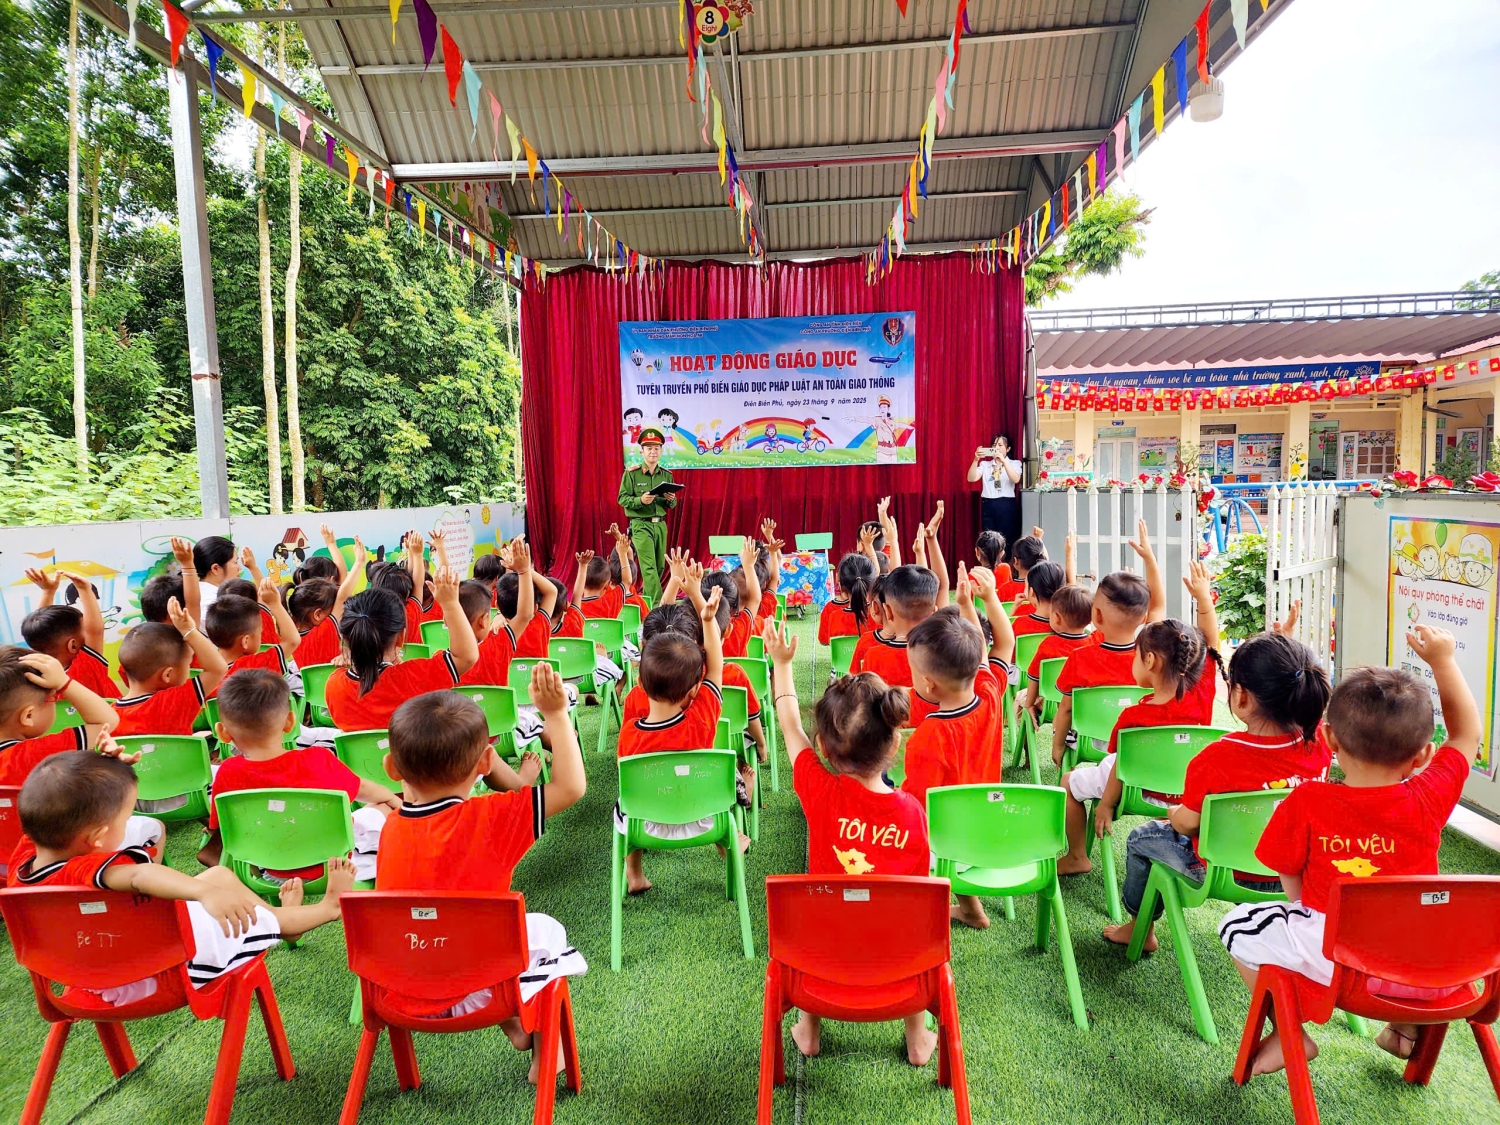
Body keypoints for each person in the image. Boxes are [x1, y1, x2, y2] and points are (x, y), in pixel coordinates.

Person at [1219, 624, 1481, 1074]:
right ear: (1422, 756)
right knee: (1408, 924)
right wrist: (1443, 661)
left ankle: (1289, 1032)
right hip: (1428, 969)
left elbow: (1287, 871)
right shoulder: (1429, 796)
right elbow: (1466, 736)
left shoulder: (1308, 800)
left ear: (1330, 740)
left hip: (1341, 965)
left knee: (1236, 925)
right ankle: (1404, 1030)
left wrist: (1304, 910)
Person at [9, 750, 354, 1003]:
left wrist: (108, 769)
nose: (128, 824)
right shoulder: (84, 871)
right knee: (231, 904)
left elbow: (62, 801)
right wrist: (203, 893)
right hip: (157, 971)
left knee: (219, 875)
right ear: (97, 838)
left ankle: (280, 916)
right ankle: (320, 910)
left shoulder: (24, 857)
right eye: (125, 819)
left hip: (92, 962)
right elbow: (139, 875)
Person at [764, 621, 935, 1066]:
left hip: (824, 952)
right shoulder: (914, 813)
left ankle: (808, 1028)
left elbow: (789, 725)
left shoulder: (818, 791)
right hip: (897, 955)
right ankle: (918, 1037)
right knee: (912, 923)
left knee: (818, 918)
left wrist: (782, 665)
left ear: (823, 747)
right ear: (894, 742)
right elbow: (920, 893)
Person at [1103, 628, 1331, 953]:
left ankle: (1140, 927)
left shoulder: (1218, 757)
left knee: (1141, 839)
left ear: (1241, 697)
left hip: (1226, 871)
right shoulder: (1319, 742)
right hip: (1297, 872)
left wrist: (1173, 813)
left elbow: (1187, 824)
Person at [1060, 562, 1222, 874]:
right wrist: (1204, 601)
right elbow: (1211, 644)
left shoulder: (1134, 717)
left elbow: (1120, 768)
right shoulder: (1202, 696)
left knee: (1069, 782)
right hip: (1184, 793)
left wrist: (1106, 804)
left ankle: (1077, 856)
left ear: (1149, 660)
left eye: (1135, 655)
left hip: (1140, 790)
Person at [902, 564, 1015, 929]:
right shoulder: (989, 693)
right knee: (958, 813)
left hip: (950, 847)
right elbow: (1004, 644)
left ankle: (912, 911)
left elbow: (917, 811)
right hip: (995, 828)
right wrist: (981, 601)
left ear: (929, 685)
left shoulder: (927, 736)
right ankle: (970, 909)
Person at [197, 670, 399, 871]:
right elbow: (362, 788)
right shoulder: (317, 760)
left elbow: (220, 826)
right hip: (331, 866)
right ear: (290, 722)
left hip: (269, 866)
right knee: (380, 808)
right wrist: (391, 798)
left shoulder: (227, 773)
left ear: (222, 732)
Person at [615, 587, 730, 894]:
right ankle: (729, 852)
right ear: (694, 690)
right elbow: (716, 668)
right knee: (719, 785)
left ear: (640, 683)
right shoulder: (701, 719)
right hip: (703, 816)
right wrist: (708, 621)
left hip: (646, 823)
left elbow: (623, 774)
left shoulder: (629, 733)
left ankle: (634, 873)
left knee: (624, 800)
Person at [1049, 521, 1165, 770]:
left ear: (1096, 615)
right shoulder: (1151, 658)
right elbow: (1158, 605)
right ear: (1144, 618)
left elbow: (1066, 709)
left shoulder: (1080, 658)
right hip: (1136, 742)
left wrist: (1057, 745)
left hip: (1090, 742)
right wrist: (1149, 558)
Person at [324, 567, 479, 732]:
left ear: (347, 638)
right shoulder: (413, 678)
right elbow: (466, 656)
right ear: (400, 637)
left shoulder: (334, 685)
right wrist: (451, 604)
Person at [0, 647, 118, 787]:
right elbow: (107, 723)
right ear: (28, 716)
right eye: (53, 698)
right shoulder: (31, 755)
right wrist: (64, 683)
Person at [112, 600, 228, 736]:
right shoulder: (173, 703)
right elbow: (218, 669)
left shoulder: (108, 716)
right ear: (168, 675)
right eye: (188, 664)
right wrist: (189, 631)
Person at [21, 567, 122, 699]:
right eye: (84, 628)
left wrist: (48, 592)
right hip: (109, 712)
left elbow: (40, 632)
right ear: (73, 646)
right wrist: (84, 589)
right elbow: (95, 632)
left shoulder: (33, 672)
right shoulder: (86, 666)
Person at [203, 579, 301, 690]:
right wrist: (275, 604)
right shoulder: (254, 666)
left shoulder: (207, 671)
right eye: (260, 633)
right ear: (245, 641)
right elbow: (292, 641)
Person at [1018, 584, 1095, 722]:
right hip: (1082, 707)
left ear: (1057, 617)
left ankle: (1021, 734)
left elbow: (1034, 678)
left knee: (1019, 699)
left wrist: (1029, 704)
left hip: (1049, 703)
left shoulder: (1049, 644)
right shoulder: (1093, 645)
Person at [617, 426, 677, 602]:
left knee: (659, 567)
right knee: (649, 567)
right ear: (641, 451)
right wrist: (640, 500)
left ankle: (648, 600)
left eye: (656, 448)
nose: (653, 452)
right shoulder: (632, 474)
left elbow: (672, 505)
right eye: (649, 448)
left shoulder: (666, 475)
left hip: (660, 525)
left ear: (661, 451)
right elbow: (622, 499)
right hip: (641, 524)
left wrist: (671, 499)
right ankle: (657, 607)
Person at [288, 537, 365, 667]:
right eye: (331, 608)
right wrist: (359, 563)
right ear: (318, 614)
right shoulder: (325, 631)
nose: (335, 609)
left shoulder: (292, 636)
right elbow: (343, 595)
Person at [969, 435, 1022, 551]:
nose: (996, 448)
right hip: (988, 503)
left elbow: (1015, 479)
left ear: (1008, 449)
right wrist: (976, 460)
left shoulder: (1015, 463)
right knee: (989, 538)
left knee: (1007, 536)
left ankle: (1006, 560)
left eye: (1000, 445)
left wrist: (1003, 462)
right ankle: (991, 560)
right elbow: (971, 478)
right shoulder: (985, 465)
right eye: (994, 445)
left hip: (1006, 503)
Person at [818, 552, 878, 645]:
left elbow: (824, 641)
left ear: (840, 586)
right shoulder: (879, 614)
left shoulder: (834, 617)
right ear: (873, 585)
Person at [1012, 560, 1065, 638]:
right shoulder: (1070, 625)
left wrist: (1013, 610)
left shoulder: (1020, 625)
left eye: (1026, 586)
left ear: (1032, 592)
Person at [191, 535, 241, 611]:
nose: (239, 568)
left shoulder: (193, 593)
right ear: (216, 568)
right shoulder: (217, 604)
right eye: (235, 562)